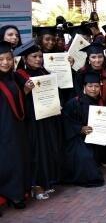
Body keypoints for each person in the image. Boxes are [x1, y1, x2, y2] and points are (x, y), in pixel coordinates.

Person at [15, 42, 62, 200]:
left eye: (40, 56)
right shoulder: (19, 75)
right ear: (25, 58)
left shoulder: (44, 71)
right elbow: (17, 99)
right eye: (34, 57)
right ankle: (35, 185)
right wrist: (26, 90)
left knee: (48, 149)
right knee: (36, 151)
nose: (38, 59)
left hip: (47, 117)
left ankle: (47, 182)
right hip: (32, 121)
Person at [61, 71, 105, 188]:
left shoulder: (100, 102)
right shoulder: (74, 103)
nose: (93, 89)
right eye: (90, 86)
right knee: (85, 158)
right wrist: (80, 129)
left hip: (94, 138)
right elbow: (65, 121)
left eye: (96, 86)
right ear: (84, 87)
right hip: (75, 139)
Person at [0, 41, 29, 209]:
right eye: (1, 59)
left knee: (16, 160)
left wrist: (24, 92)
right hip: (3, 129)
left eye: (8, 59)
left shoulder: (11, 77)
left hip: (15, 127)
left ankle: (16, 194)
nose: (5, 62)